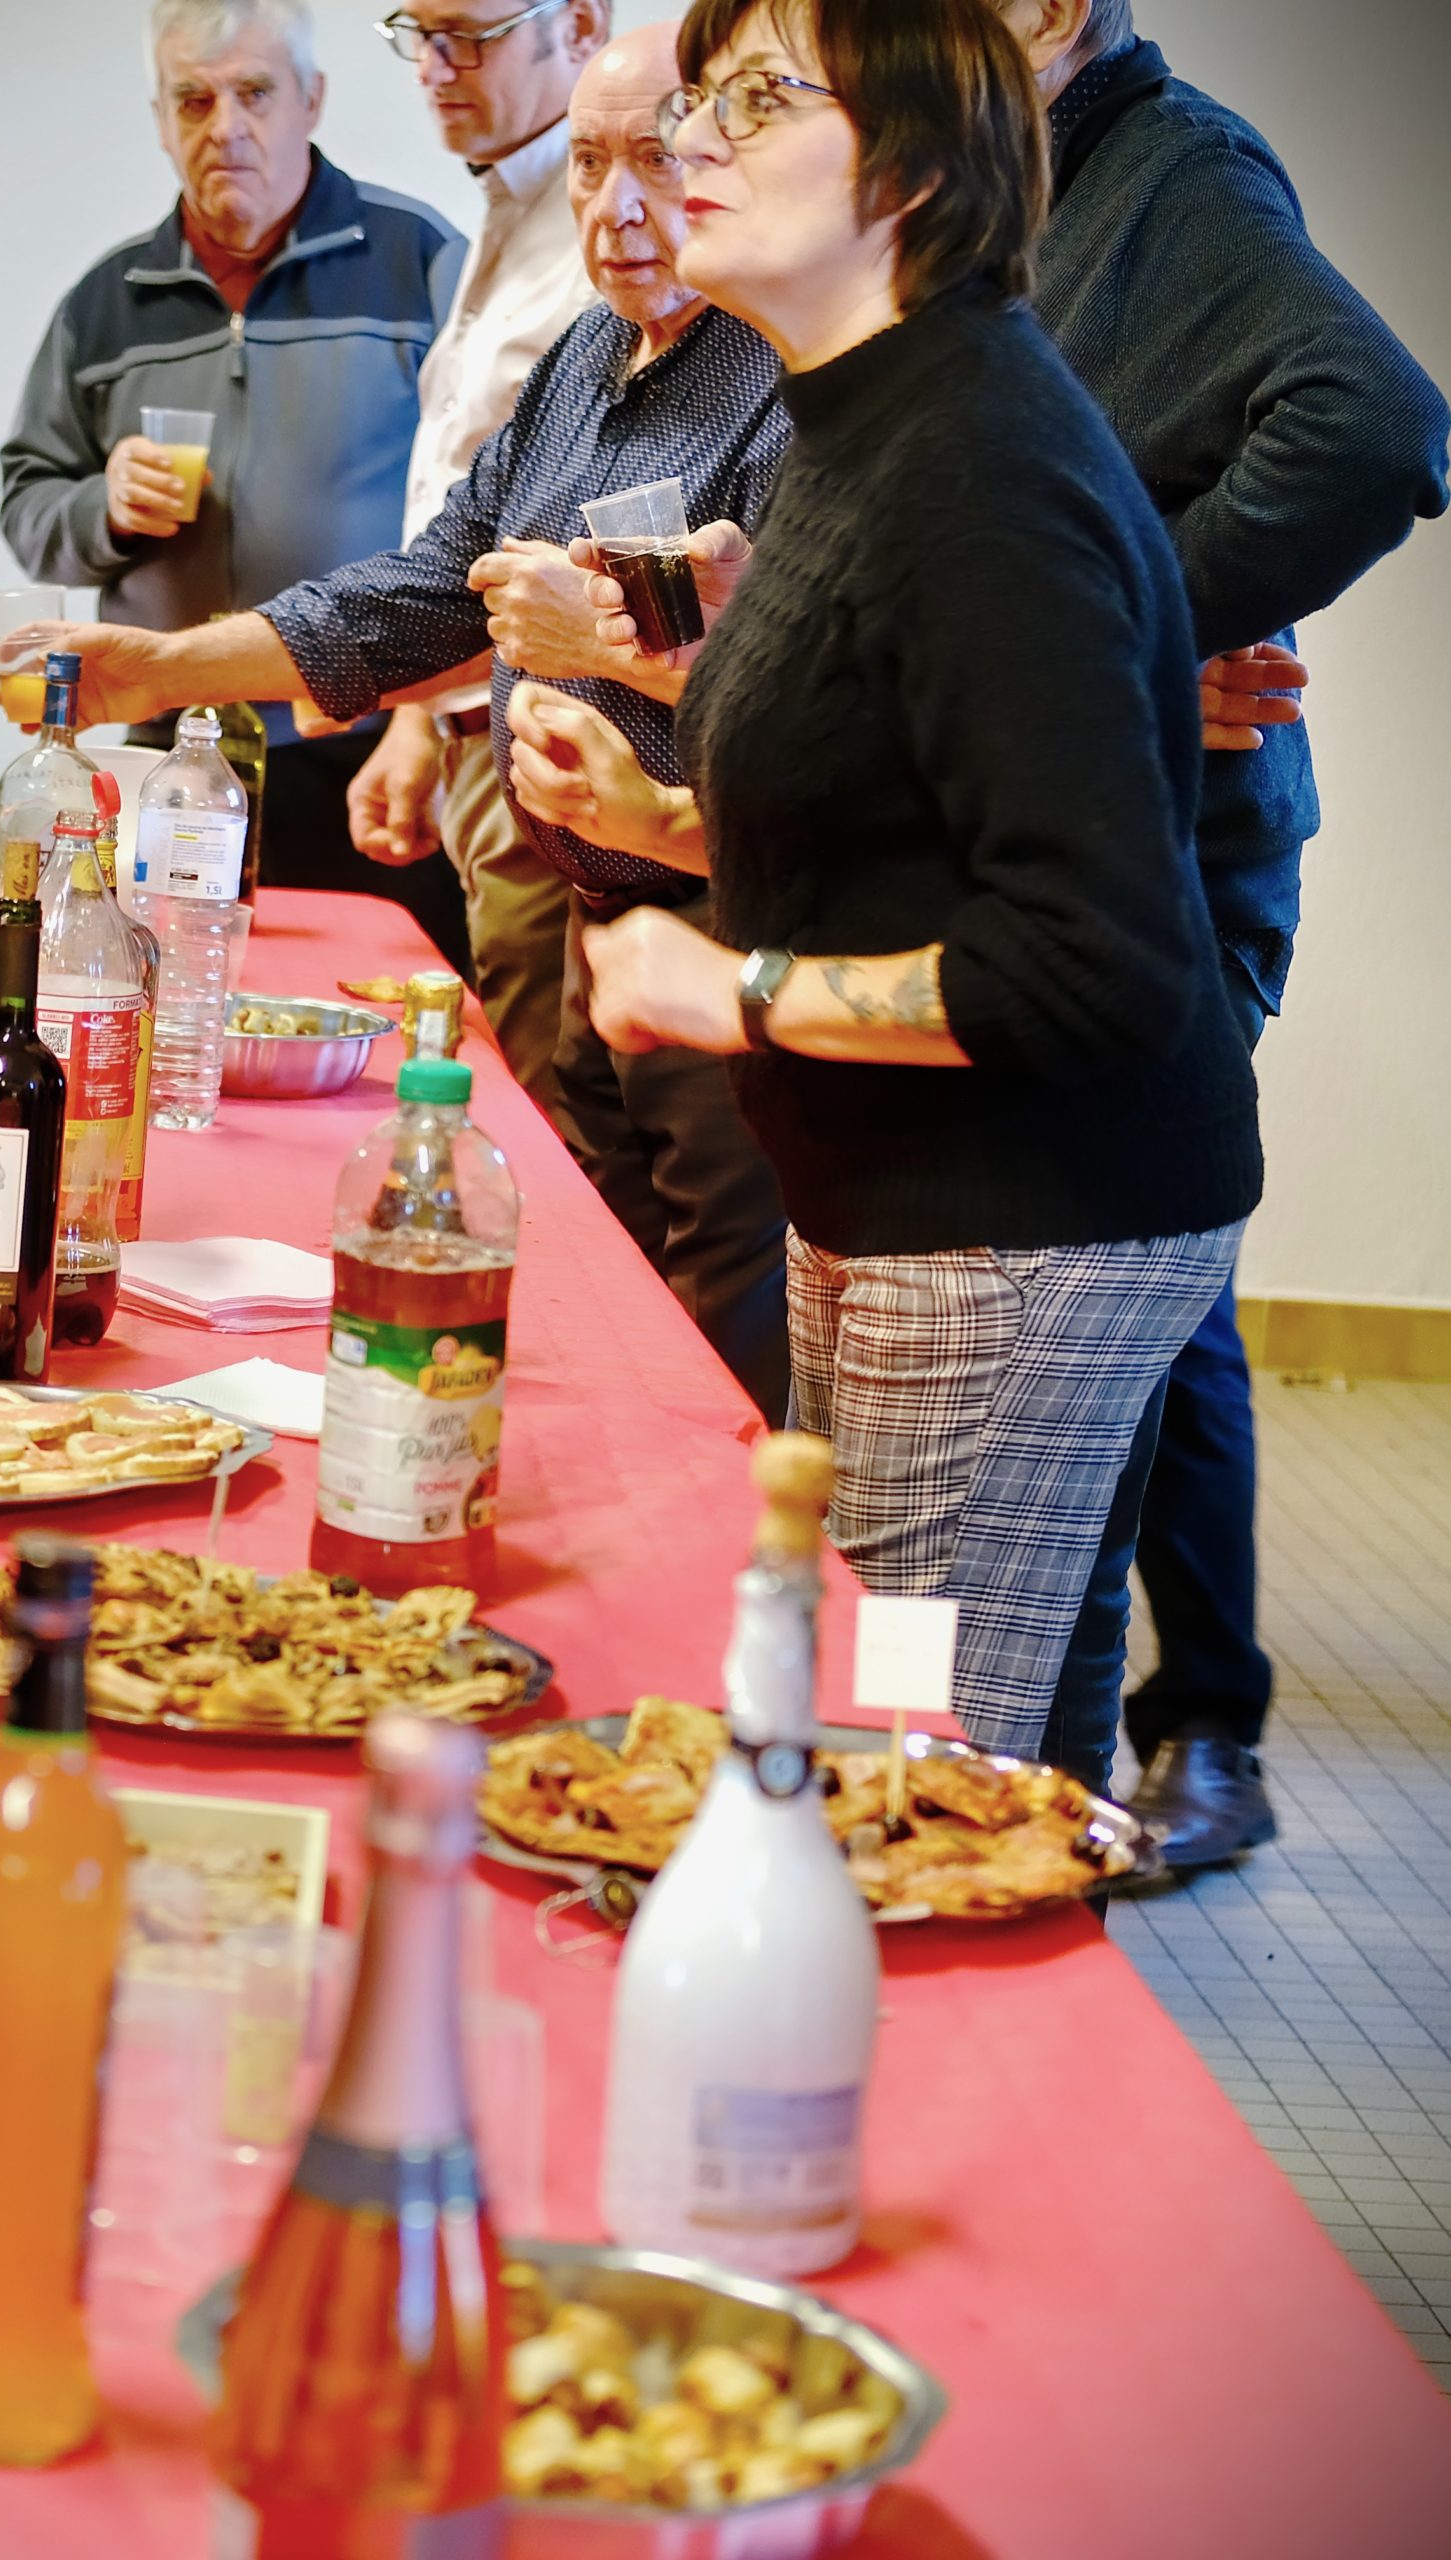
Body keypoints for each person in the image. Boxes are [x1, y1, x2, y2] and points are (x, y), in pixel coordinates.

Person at [548, 0, 1264, 1776]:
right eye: (700, 93)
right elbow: (914, 812)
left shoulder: (983, 469)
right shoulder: (859, 417)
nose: (691, 143)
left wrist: (741, 990)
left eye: (758, 98)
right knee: (876, 1724)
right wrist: (659, 821)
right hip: (900, 1200)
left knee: (906, 1768)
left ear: (917, 170)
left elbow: (1089, 961)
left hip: (1024, 1228)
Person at [17, 24, 795, 1418]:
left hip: (736, 927)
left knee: (713, 1358)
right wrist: (153, 671)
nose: (616, 207)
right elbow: (418, 594)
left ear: (730, 166)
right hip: (595, 917)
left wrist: (602, 637)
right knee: (599, 1316)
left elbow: (820, 677)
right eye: (593, 164)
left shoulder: (789, 372)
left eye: (657, 163)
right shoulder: (583, 360)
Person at [995, 0, 1450, 1860]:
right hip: (1086, 821)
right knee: (1133, 1274)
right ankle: (1177, 1719)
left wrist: (1145, 628)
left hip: (1183, 843)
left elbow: (1379, 424)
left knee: (1150, 1280)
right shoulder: (1020, 187)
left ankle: (1211, 1732)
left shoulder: (1170, 169)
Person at [0, 0, 469, 967]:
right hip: (160, 747)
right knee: (148, 1006)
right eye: (194, 100)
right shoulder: (104, 301)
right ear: (162, 119)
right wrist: (101, 507)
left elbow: (488, 506)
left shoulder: (422, 263)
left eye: (255, 93)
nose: (226, 127)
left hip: (360, 736)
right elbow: (28, 498)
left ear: (312, 101)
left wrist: (421, 722)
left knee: (360, 1014)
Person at [351, 0, 609, 1109]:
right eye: (417, 33)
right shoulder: (504, 204)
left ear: (582, 24)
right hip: (474, 718)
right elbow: (472, 508)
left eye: (474, 33)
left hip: (567, 730)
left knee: (554, 1126)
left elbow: (579, 536)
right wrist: (419, 718)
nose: (437, 67)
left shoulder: (607, 225)